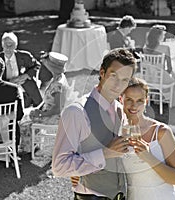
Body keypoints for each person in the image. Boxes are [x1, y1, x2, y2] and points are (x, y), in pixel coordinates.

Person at [52, 48, 136, 200]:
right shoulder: (76, 112)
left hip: (120, 194)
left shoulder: (119, 109)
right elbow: (59, 166)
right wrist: (104, 154)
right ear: (102, 73)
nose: (118, 85)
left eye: (125, 80)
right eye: (113, 76)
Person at [120, 77, 175, 199]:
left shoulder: (161, 132)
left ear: (146, 101)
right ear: (121, 99)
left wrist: (148, 157)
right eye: (129, 100)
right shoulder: (115, 132)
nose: (134, 105)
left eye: (139, 101)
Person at [19, 52, 70, 153]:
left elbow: (57, 109)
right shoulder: (57, 78)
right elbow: (48, 101)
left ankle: (28, 148)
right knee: (28, 114)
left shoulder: (57, 84)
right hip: (51, 112)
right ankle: (34, 145)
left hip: (56, 117)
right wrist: (37, 109)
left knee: (25, 121)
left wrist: (41, 114)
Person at [0, 32, 42, 108]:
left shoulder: (25, 56)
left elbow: (37, 65)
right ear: (2, 45)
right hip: (7, 94)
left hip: (26, 91)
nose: (8, 47)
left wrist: (26, 75)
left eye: (11, 45)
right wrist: (9, 82)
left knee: (37, 108)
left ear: (16, 46)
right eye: (5, 44)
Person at [0, 55, 24, 150]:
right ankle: (12, 153)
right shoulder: (14, 89)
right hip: (9, 134)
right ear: (3, 71)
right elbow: (20, 115)